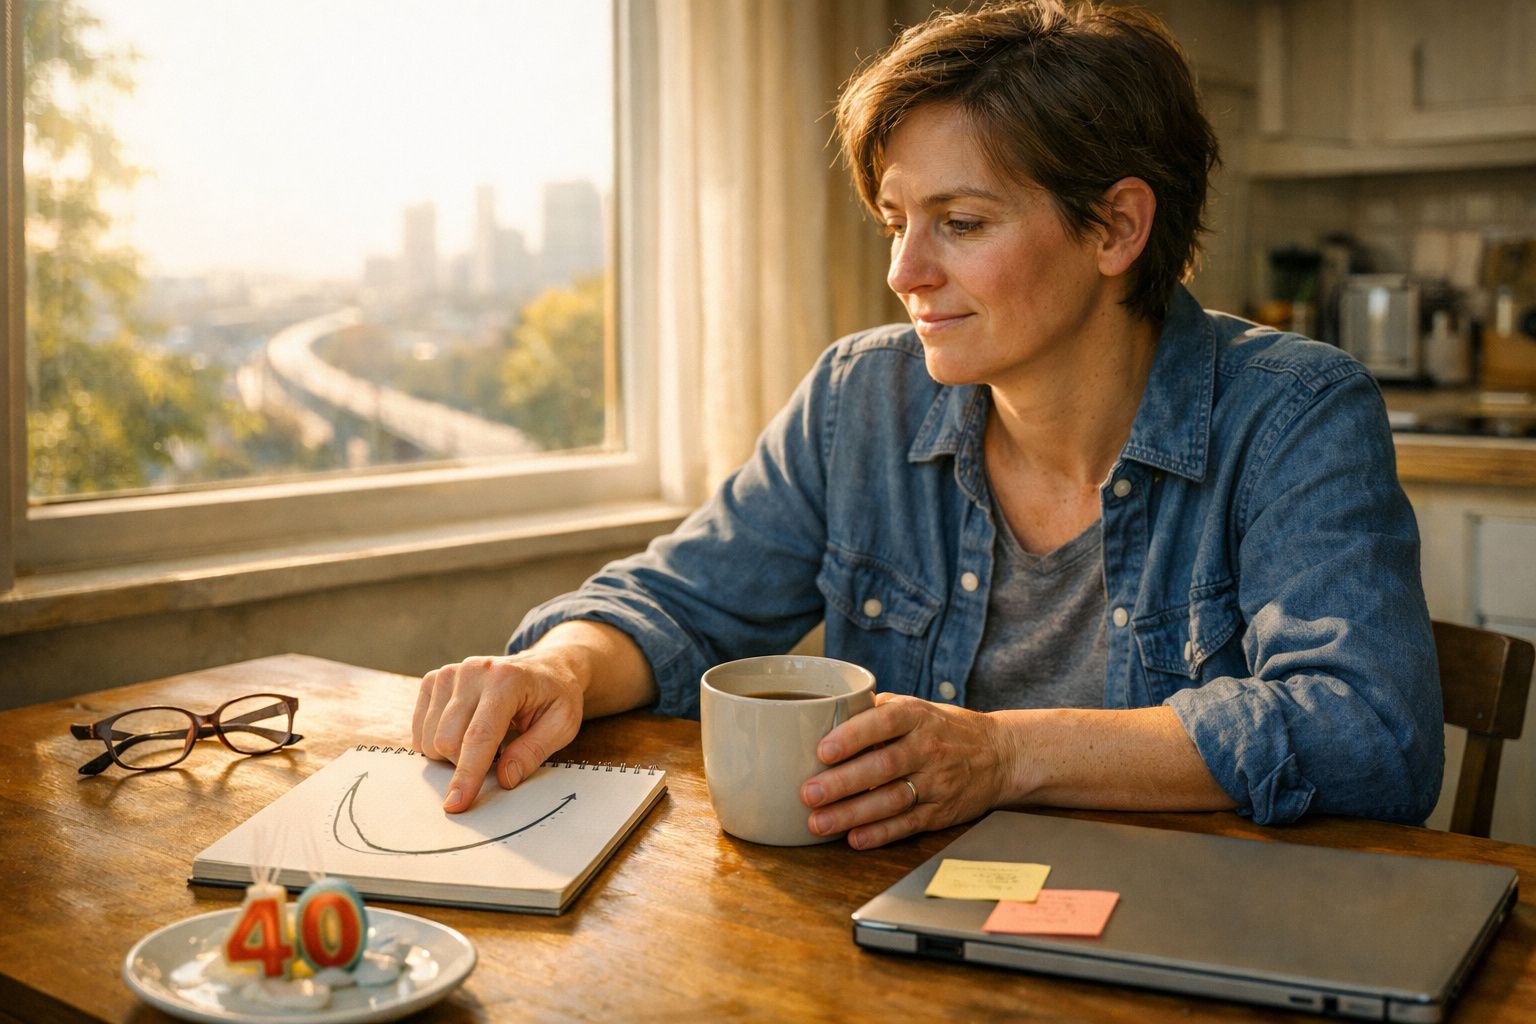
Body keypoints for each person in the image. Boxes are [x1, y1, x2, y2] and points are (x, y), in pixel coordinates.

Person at [412, 0, 1443, 849]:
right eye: (897, 221)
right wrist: (558, 667)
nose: (905, 273)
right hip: (904, 937)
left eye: (961, 222)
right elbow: (678, 604)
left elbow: (1371, 735)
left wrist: (1002, 753)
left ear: (1118, 227)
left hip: (1189, 944)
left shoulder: (1297, 412)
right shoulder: (860, 398)